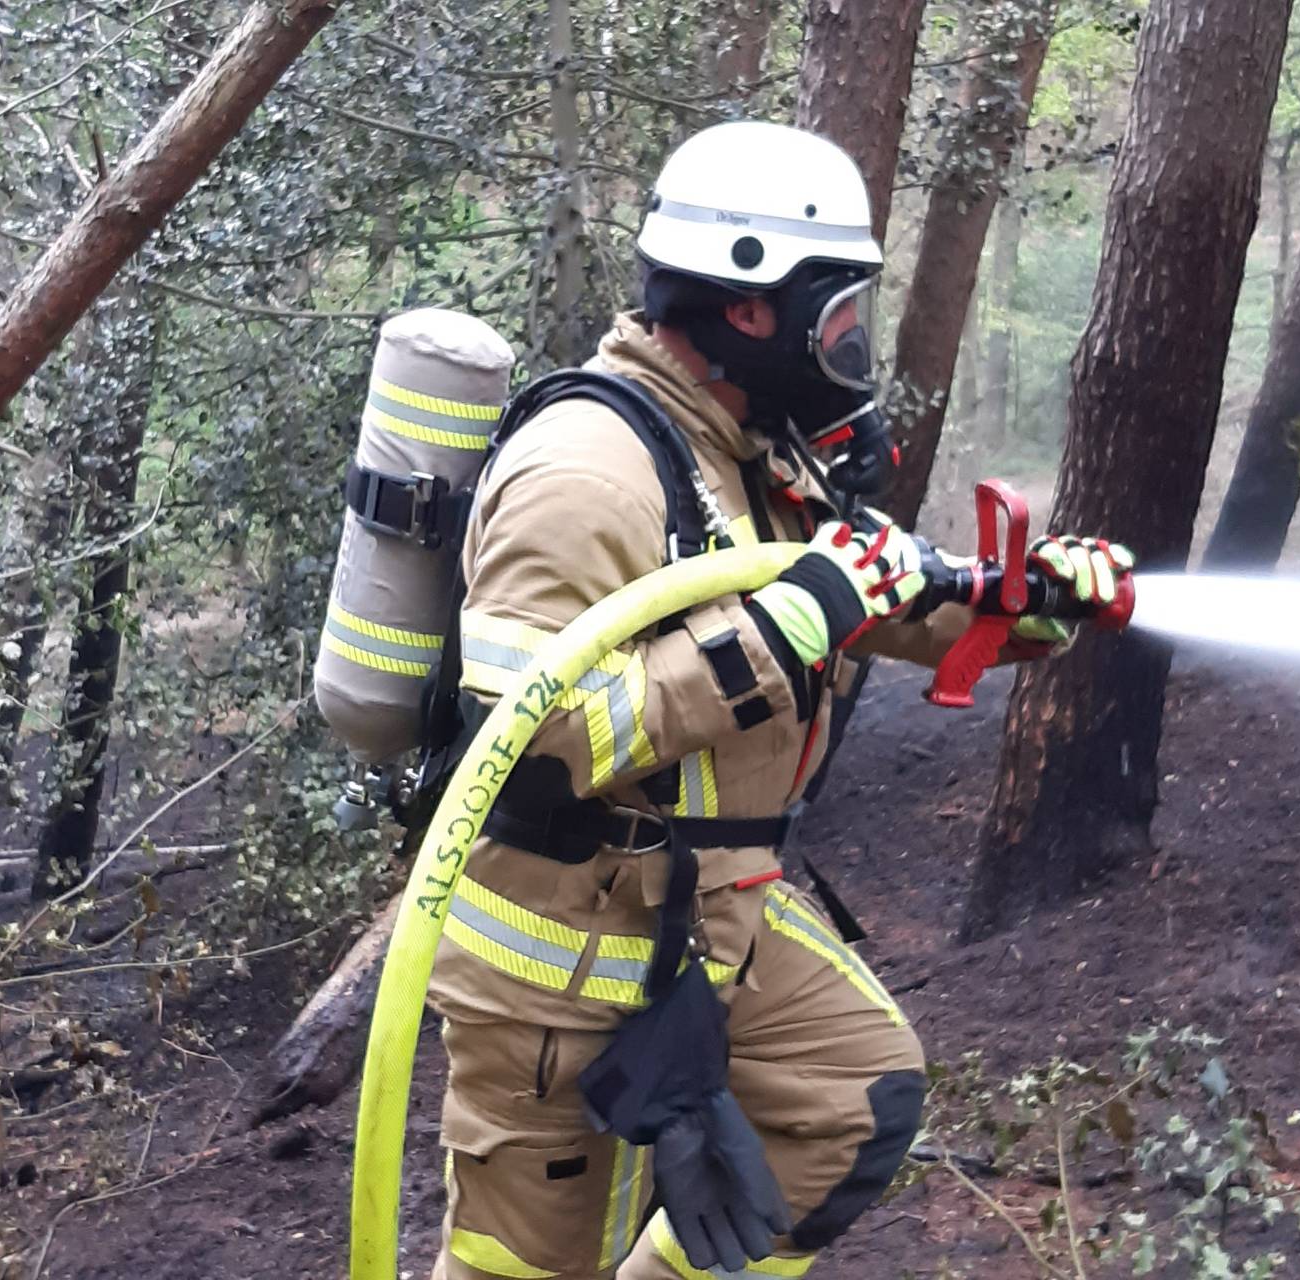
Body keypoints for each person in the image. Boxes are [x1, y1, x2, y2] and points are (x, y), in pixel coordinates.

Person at [427, 120, 1130, 1279]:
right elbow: (533, 735)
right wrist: (785, 624)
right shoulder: (583, 467)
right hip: (555, 952)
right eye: (837, 313)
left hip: (704, 915)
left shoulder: (744, 453)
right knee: (525, 1268)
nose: (851, 343)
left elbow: (873, 594)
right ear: (750, 306)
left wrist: (1030, 602)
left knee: (860, 1095)